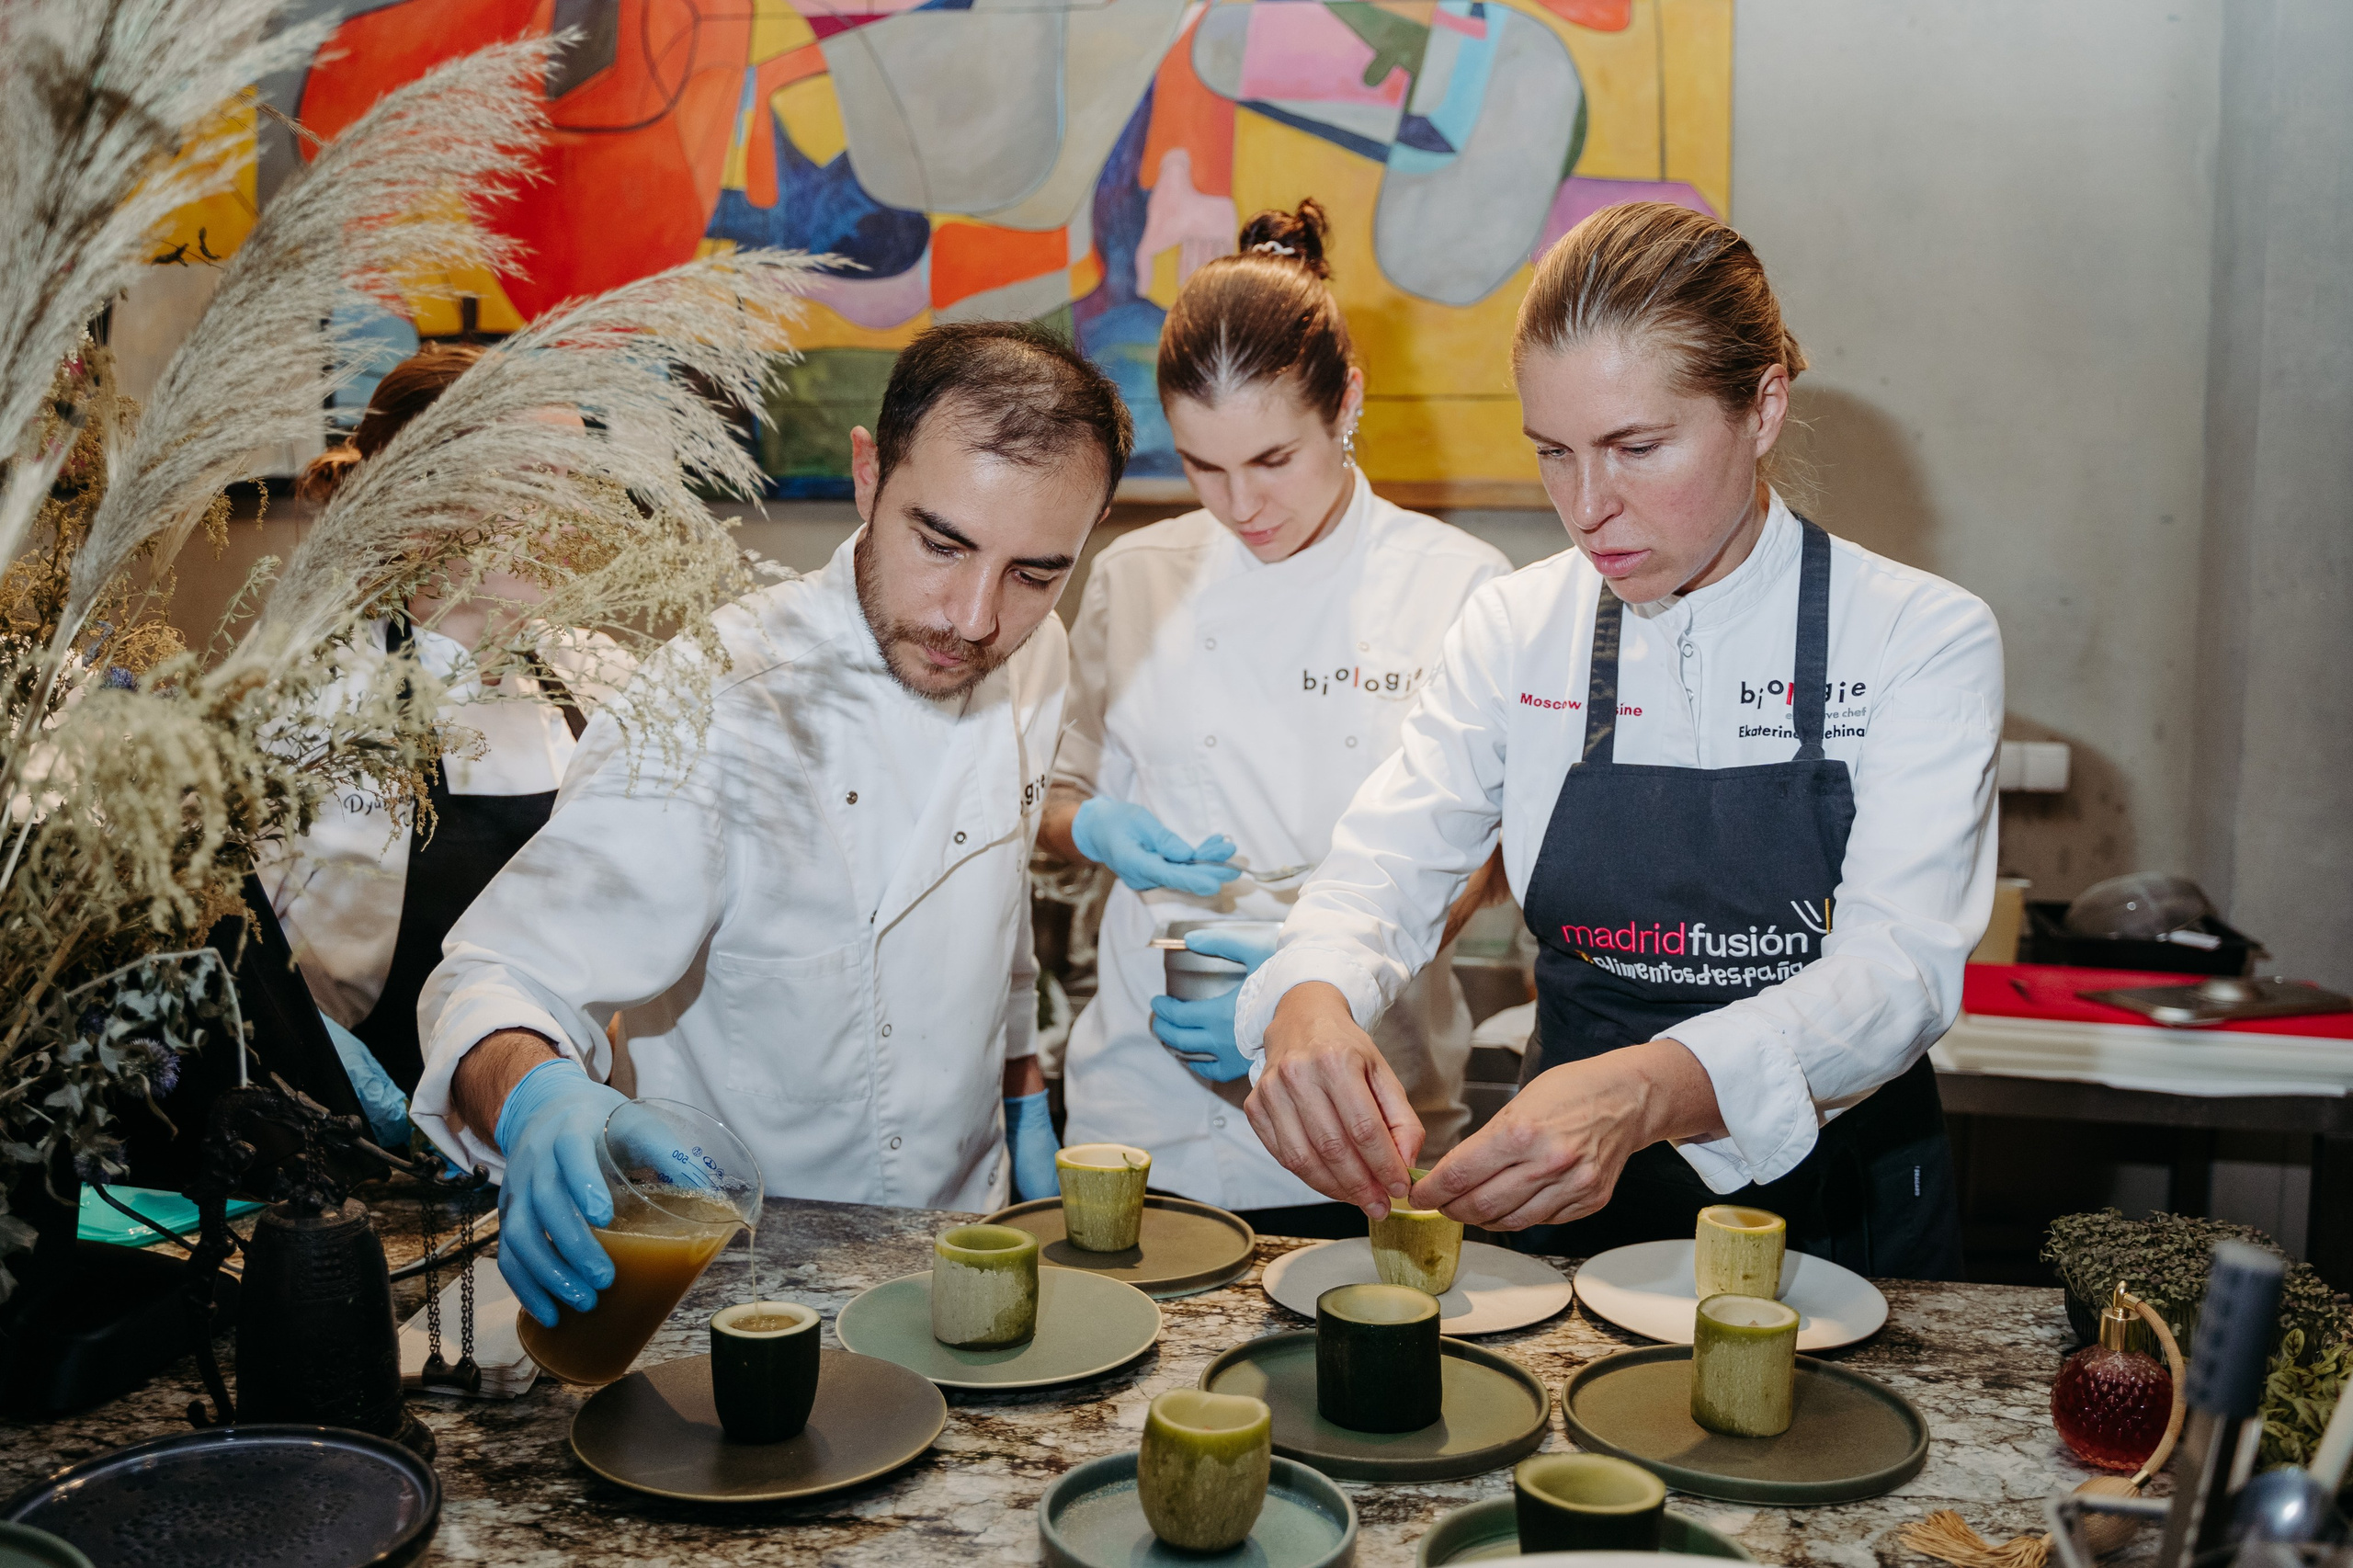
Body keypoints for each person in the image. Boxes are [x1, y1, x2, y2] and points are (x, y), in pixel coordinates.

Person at [1234, 203, 2002, 1278]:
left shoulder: (1917, 636)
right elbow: (1385, 865)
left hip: (1836, 1204)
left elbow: (1897, 969)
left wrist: (1647, 1090)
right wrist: (1309, 999)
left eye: (1636, 448)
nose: (1587, 507)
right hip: (1564, 1197)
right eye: (1553, 453)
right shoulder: (1517, 626)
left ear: (1762, 408)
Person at [408, 323, 1131, 1326]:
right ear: (869, 474)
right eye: (941, 543)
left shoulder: (1034, 655)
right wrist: (535, 1099)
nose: (974, 618)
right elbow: (498, 978)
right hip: (745, 1277)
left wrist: (1022, 1088)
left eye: (1036, 573)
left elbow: (991, 910)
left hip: (967, 1239)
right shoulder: (712, 704)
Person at [1040, 202, 1511, 1237]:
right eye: (1202, 466)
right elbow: (1054, 796)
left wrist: (1324, 975)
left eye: (1272, 460)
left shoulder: (1462, 589)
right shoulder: (1135, 576)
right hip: (1140, 1112)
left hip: (1361, 1102)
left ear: (1347, 403)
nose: (1240, 504)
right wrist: (1094, 828)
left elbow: (1499, 853)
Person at [261, 344, 624, 1101]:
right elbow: (246, 974)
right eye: (534, 477)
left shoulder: (601, 679)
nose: (573, 513)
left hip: (565, 1117)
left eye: (576, 478)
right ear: (417, 499)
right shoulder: (306, 697)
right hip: (368, 1142)